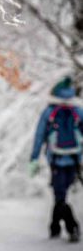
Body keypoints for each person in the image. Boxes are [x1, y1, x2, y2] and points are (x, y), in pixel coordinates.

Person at [29, 76, 82, 243]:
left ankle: (72, 226)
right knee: (62, 195)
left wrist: (34, 158)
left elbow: (39, 136)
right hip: (74, 158)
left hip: (57, 160)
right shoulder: (77, 110)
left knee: (60, 195)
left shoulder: (49, 111)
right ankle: (55, 227)